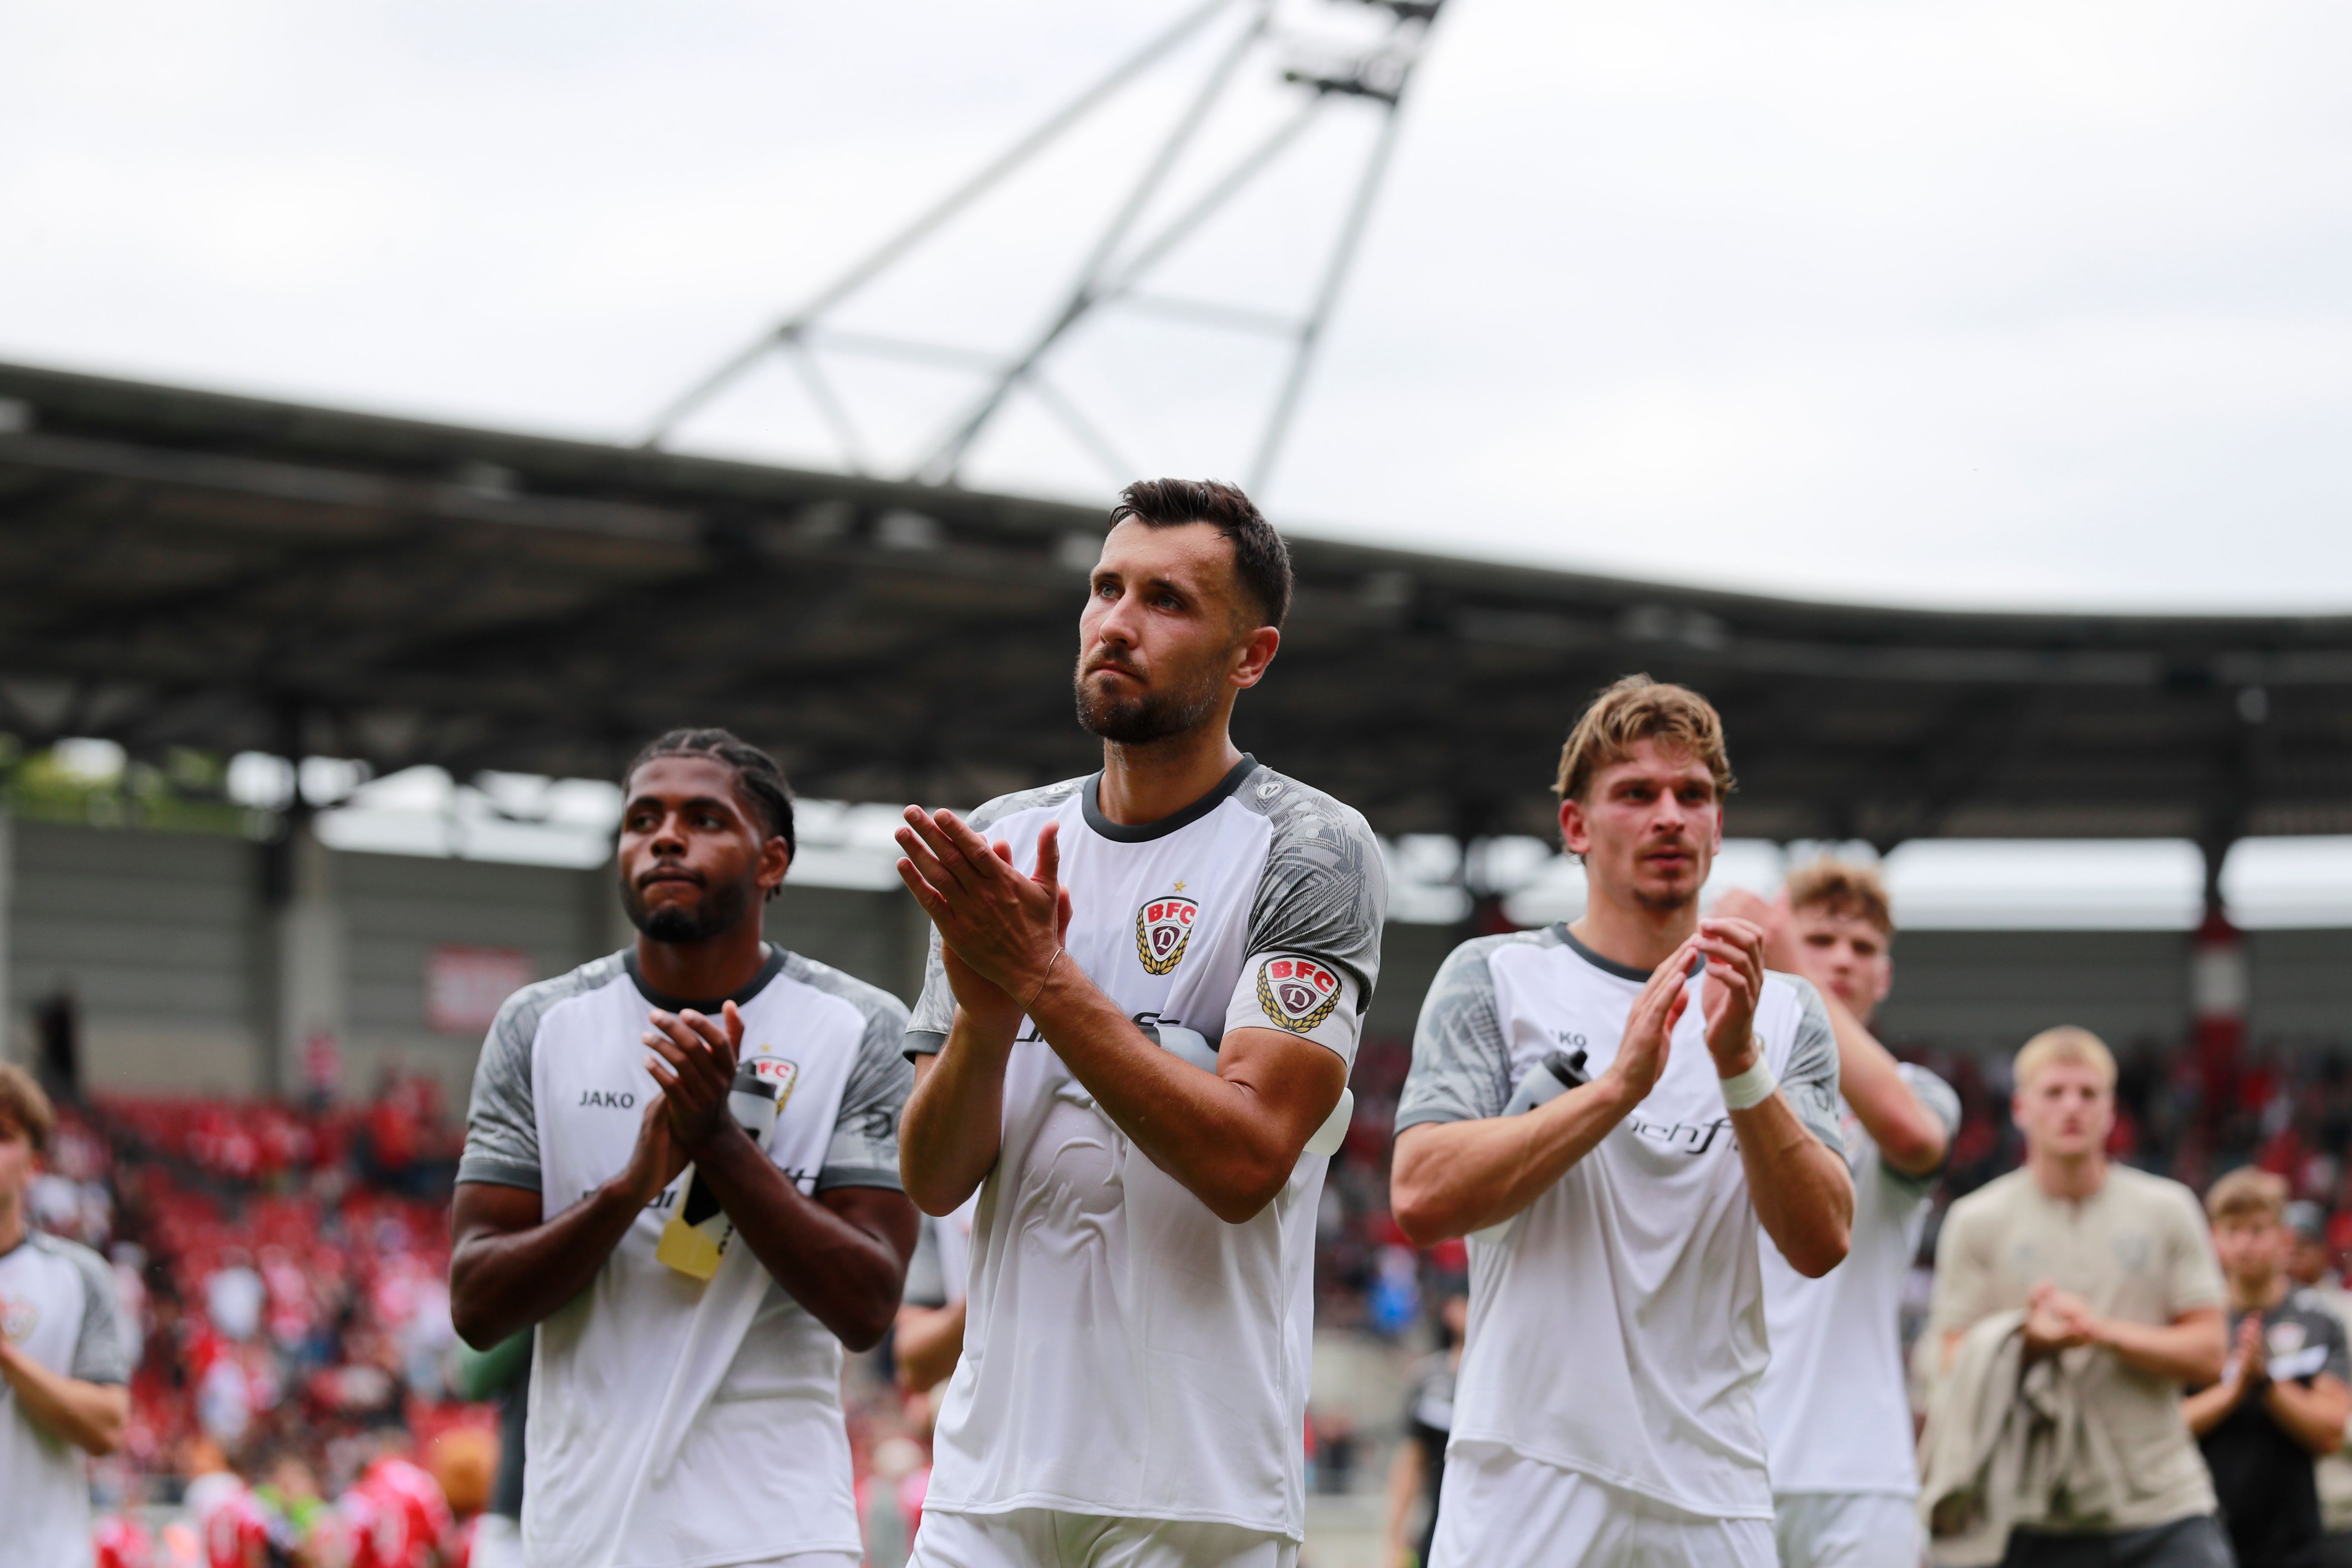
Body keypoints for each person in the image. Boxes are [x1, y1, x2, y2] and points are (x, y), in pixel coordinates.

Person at [895, 478, 1386, 1568]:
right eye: (1105, 589)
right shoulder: (1002, 842)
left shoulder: (1310, 847)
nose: (1117, 622)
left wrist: (1040, 977)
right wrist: (983, 1025)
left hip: (1193, 1493)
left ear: (1250, 656)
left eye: (1165, 600)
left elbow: (1246, 1160)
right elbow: (932, 1180)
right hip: (985, 1483)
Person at [1389, 675, 1854, 1568]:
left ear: (1718, 825)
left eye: (1693, 795)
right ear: (1576, 826)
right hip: (1527, 1474)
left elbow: (1822, 1239)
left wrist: (1739, 1066)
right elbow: (1421, 1195)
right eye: (1636, 793)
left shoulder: (1784, 1011)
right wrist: (1615, 1091)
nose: (1670, 817)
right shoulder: (1496, 977)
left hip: (1713, 1488)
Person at [450, 729, 920, 1568]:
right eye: (643, 820)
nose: (665, 837)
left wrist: (718, 1143)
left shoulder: (860, 1029)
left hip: (778, 1538)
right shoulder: (541, 1027)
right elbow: (478, 1306)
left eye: (704, 819)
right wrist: (630, 1187)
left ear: (772, 861)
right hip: (580, 1539)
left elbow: (867, 1305)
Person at [1717, 861, 1958, 1568]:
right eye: (1820, 939)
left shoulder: (1918, 1093)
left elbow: (1911, 1136)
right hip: (1721, 1460)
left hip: (1861, 1473)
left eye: (1863, 947)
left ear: (1885, 977)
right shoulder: (1710, 1079)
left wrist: (1791, 964)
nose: (1842, 959)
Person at [1925, 1026, 2230, 1568]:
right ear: (2020, 1108)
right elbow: (1950, 1357)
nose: (2072, 1107)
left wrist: (2102, 1332)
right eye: (2054, 1092)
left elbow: (2210, 1353)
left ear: (2111, 1111)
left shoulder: (2169, 1209)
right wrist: (2027, 1340)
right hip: (2027, 1511)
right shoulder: (1976, 1220)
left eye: (2088, 1094)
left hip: (2162, 1502)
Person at [2185, 1168, 2352, 1568]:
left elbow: (2330, 1431)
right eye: (2233, 1230)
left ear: (2285, 1239)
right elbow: (2168, 1428)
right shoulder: (2194, 1325)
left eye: (2259, 1230)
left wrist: (2267, 1383)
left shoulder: (2319, 1321)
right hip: (2203, 1533)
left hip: (2300, 1541)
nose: (2246, 1244)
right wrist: (2236, 1389)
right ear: (2214, 1239)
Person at [0, 1062, 131, 1568]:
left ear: (34, 1164)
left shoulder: (77, 1276)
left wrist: (9, 1360)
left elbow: (108, 1428)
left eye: (2, 1136)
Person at [1381, 1290, 1466, 1568]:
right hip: (1440, 1521)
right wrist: (1396, 1537)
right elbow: (1411, 1459)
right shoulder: (1430, 1377)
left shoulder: (1506, 1374)